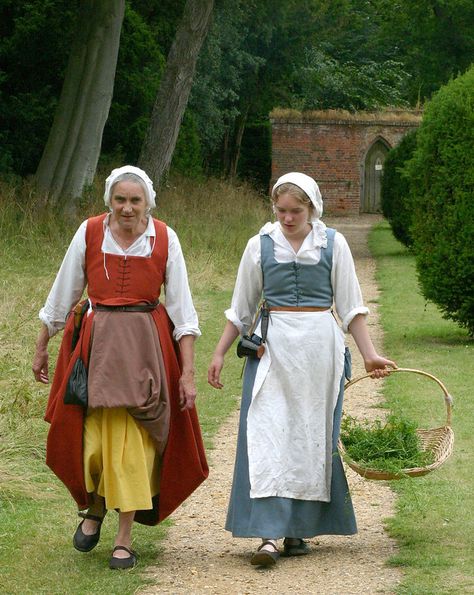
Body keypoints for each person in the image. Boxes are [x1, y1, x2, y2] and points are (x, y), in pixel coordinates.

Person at [208, 172, 395, 567]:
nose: (288, 218)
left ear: (312, 209)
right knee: (267, 430)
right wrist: (220, 353)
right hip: (272, 348)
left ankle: (297, 531)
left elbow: (351, 306)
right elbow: (241, 308)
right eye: (281, 211)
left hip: (318, 349)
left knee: (311, 435)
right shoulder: (259, 246)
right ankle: (268, 534)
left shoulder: (333, 244)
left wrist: (369, 354)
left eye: (296, 211)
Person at [33, 165, 208, 570]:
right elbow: (63, 294)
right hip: (96, 349)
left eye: (135, 201)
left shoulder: (164, 238)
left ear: (147, 204)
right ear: (109, 201)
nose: (127, 209)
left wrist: (188, 373)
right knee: (90, 440)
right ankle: (94, 507)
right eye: (120, 200)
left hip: (146, 348)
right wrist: (42, 344)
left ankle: (124, 538)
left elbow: (183, 311)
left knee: (134, 445)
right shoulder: (91, 232)